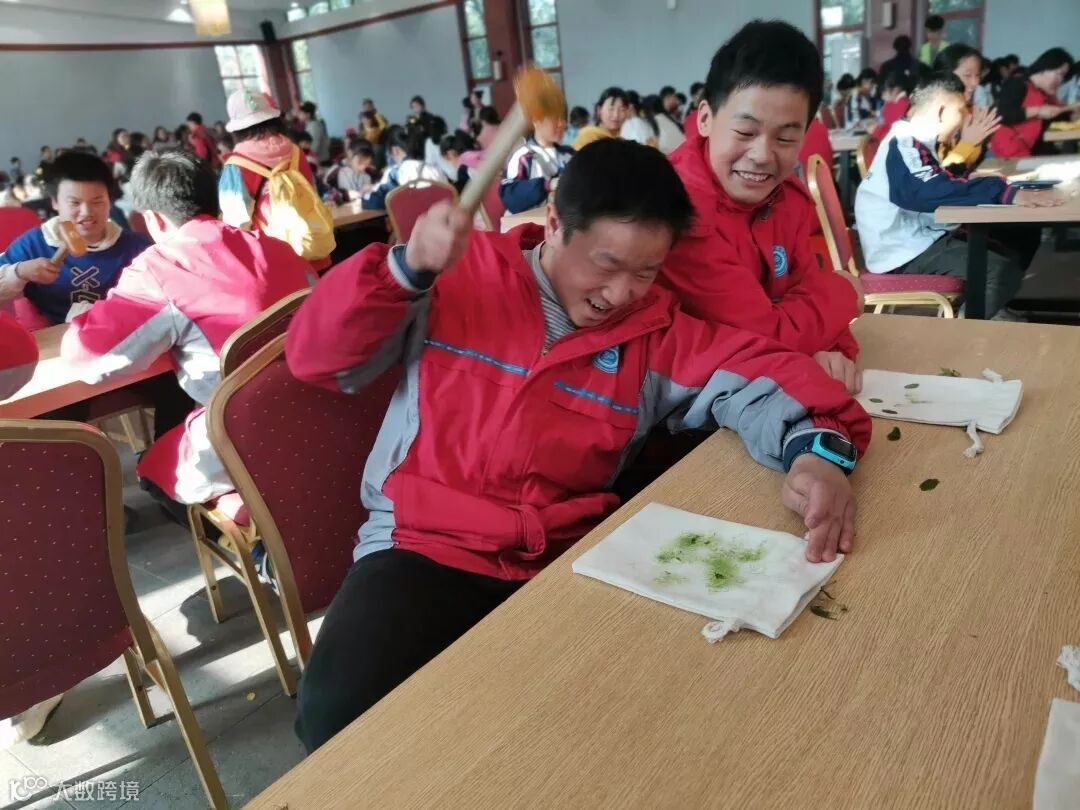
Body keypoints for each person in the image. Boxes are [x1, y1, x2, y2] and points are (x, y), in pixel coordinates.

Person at [285, 138, 871, 751]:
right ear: (554, 224)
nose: (620, 293)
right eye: (605, 264)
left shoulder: (656, 335)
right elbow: (316, 357)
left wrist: (819, 454)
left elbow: (769, 376)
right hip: (419, 548)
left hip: (562, 557)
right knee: (337, 719)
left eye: (645, 272)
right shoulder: (456, 277)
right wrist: (404, 270)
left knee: (612, 733)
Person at [61, 149, 313, 517]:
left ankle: (256, 537)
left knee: (152, 468)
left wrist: (80, 319)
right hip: (324, 413)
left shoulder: (161, 268)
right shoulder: (278, 249)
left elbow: (90, 361)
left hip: (247, 432)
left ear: (153, 219)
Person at [662, 20, 863, 392]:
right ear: (704, 119)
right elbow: (763, 336)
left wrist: (836, 351)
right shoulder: (674, 209)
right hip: (689, 408)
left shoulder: (786, 198)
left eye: (785, 138)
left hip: (766, 390)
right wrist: (846, 293)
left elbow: (807, 290)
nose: (762, 155)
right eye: (745, 132)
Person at [854, 73, 1060, 319]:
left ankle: (983, 310)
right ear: (941, 112)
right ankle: (964, 328)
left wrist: (973, 172)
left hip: (919, 238)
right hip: (901, 252)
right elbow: (926, 191)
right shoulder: (903, 142)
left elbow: (938, 180)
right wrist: (1002, 191)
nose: (964, 118)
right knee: (999, 270)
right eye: (961, 111)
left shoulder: (916, 141)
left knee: (1012, 242)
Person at [0, 151, 150, 327]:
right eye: (75, 203)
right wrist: (19, 272)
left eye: (97, 201)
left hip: (120, 333)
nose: (86, 212)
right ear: (55, 202)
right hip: (53, 337)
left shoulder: (136, 247)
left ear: (109, 201)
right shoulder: (34, 244)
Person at [218, 90, 331, 270]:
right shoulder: (296, 152)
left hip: (275, 262)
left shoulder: (236, 166)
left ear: (237, 129)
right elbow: (313, 194)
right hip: (313, 249)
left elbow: (237, 224)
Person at [991, 48, 1074, 158]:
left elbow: (1054, 116)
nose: (1060, 80)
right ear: (1046, 67)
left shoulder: (1044, 92)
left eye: (1063, 77)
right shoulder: (1017, 83)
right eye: (1059, 74)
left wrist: (1072, 113)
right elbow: (1003, 115)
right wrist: (1038, 111)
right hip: (1007, 154)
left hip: (1029, 151)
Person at [932, 44, 1001, 169]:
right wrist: (968, 143)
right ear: (944, 76)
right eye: (967, 75)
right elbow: (940, 173)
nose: (975, 83)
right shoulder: (930, 116)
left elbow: (967, 163)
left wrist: (978, 141)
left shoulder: (967, 111)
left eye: (977, 75)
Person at [499, 113, 573, 213]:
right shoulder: (523, 157)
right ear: (536, 120)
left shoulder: (569, 153)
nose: (561, 124)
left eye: (563, 118)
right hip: (532, 220)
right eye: (555, 118)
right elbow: (511, 196)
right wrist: (548, 185)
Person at [362, 125, 447, 210]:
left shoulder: (396, 172)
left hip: (416, 217)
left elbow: (378, 200)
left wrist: (363, 198)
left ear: (395, 150)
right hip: (442, 216)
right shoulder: (436, 170)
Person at [872, 70, 914, 143]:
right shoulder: (892, 103)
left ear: (895, 90)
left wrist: (875, 131)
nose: (882, 97)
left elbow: (893, 135)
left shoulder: (904, 105)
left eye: (883, 93)